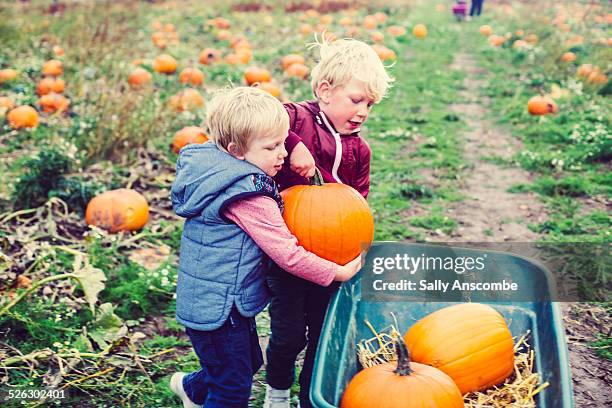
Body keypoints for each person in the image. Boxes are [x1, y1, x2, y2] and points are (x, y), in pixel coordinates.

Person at [168, 86, 363, 408]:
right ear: (236, 150)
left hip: (215, 299)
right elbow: (287, 253)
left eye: (283, 142)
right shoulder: (250, 196)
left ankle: (192, 389)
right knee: (232, 388)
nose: (283, 154)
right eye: (272, 147)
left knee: (244, 364)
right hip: (219, 309)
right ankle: (208, 392)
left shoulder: (214, 167)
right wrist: (335, 272)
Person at [264, 38, 393, 408]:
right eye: (356, 100)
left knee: (322, 336)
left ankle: (310, 397)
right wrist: (292, 143)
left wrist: (356, 244)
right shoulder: (298, 118)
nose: (363, 111)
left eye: (370, 104)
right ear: (324, 90)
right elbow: (259, 114)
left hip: (335, 261)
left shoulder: (360, 150)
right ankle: (276, 392)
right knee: (289, 334)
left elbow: (359, 203)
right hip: (289, 252)